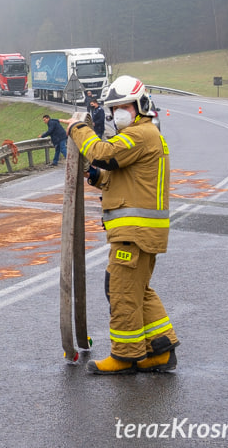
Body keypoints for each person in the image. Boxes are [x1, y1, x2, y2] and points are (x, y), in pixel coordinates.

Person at [61, 76, 178, 374]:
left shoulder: (140, 134)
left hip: (134, 235)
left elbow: (105, 153)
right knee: (137, 290)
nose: (115, 114)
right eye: (113, 109)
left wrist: (77, 129)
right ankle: (161, 349)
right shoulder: (144, 136)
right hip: (139, 235)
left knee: (122, 292)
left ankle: (124, 356)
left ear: (140, 106)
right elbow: (118, 175)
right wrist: (96, 176)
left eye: (121, 107)